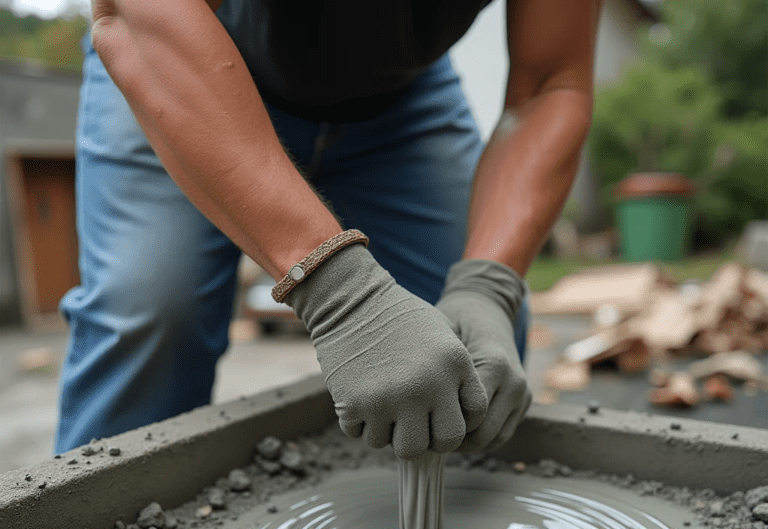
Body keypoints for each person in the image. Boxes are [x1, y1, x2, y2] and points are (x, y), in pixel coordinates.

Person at [56, 0, 601, 461]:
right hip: (183, 51)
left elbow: (551, 84)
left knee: (477, 344)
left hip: (400, 99)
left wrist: (488, 284)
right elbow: (141, 13)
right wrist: (342, 293)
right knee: (152, 308)